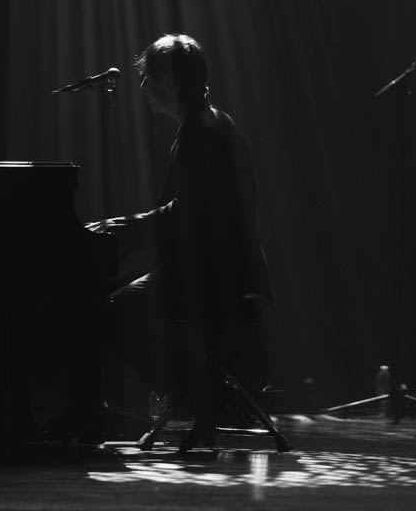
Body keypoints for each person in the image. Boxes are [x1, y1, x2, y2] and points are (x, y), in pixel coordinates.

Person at [64, 33, 274, 448]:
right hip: (219, 268)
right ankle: (193, 393)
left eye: (148, 78)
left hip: (218, 278)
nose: (142, 87)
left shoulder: (203, 135)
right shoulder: (208, 124)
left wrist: (123, 227)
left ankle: (201, 393)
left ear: (170, 83)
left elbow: (189, 214)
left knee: (110, 312)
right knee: (105, 299)